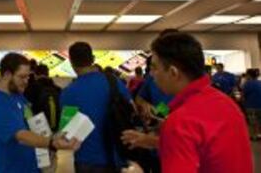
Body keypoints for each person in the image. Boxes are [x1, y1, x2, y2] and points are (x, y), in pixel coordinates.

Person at [147, 32, 252, 172]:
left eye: (154, 67)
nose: (151, 74)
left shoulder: (180, 122)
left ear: (173, 72)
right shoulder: (227, 103)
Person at [0, 53, 80, 173]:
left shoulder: (18, 96)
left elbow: (33, 125)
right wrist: (51, 143)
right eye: (22, 77)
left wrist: (53, 138)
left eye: (28, 77)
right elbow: (21, 136)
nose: (26, 81)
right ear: (7, 75)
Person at [61, 42, 133, 172]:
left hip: (85, 158)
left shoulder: (68, 92)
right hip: (115, 154)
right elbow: (131, 108)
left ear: (71, 62)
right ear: (93, 59)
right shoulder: (113, 81)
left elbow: (68, 132)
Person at [242, 68, 261, 140]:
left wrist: (244, 104)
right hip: (260, 105)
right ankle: (259, 134)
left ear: (249, 75)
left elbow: (243, 97)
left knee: (253, 122)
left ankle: (254, 136)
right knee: (259, 121)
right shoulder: (260, 82)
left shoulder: (247, 84)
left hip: (251, 106)